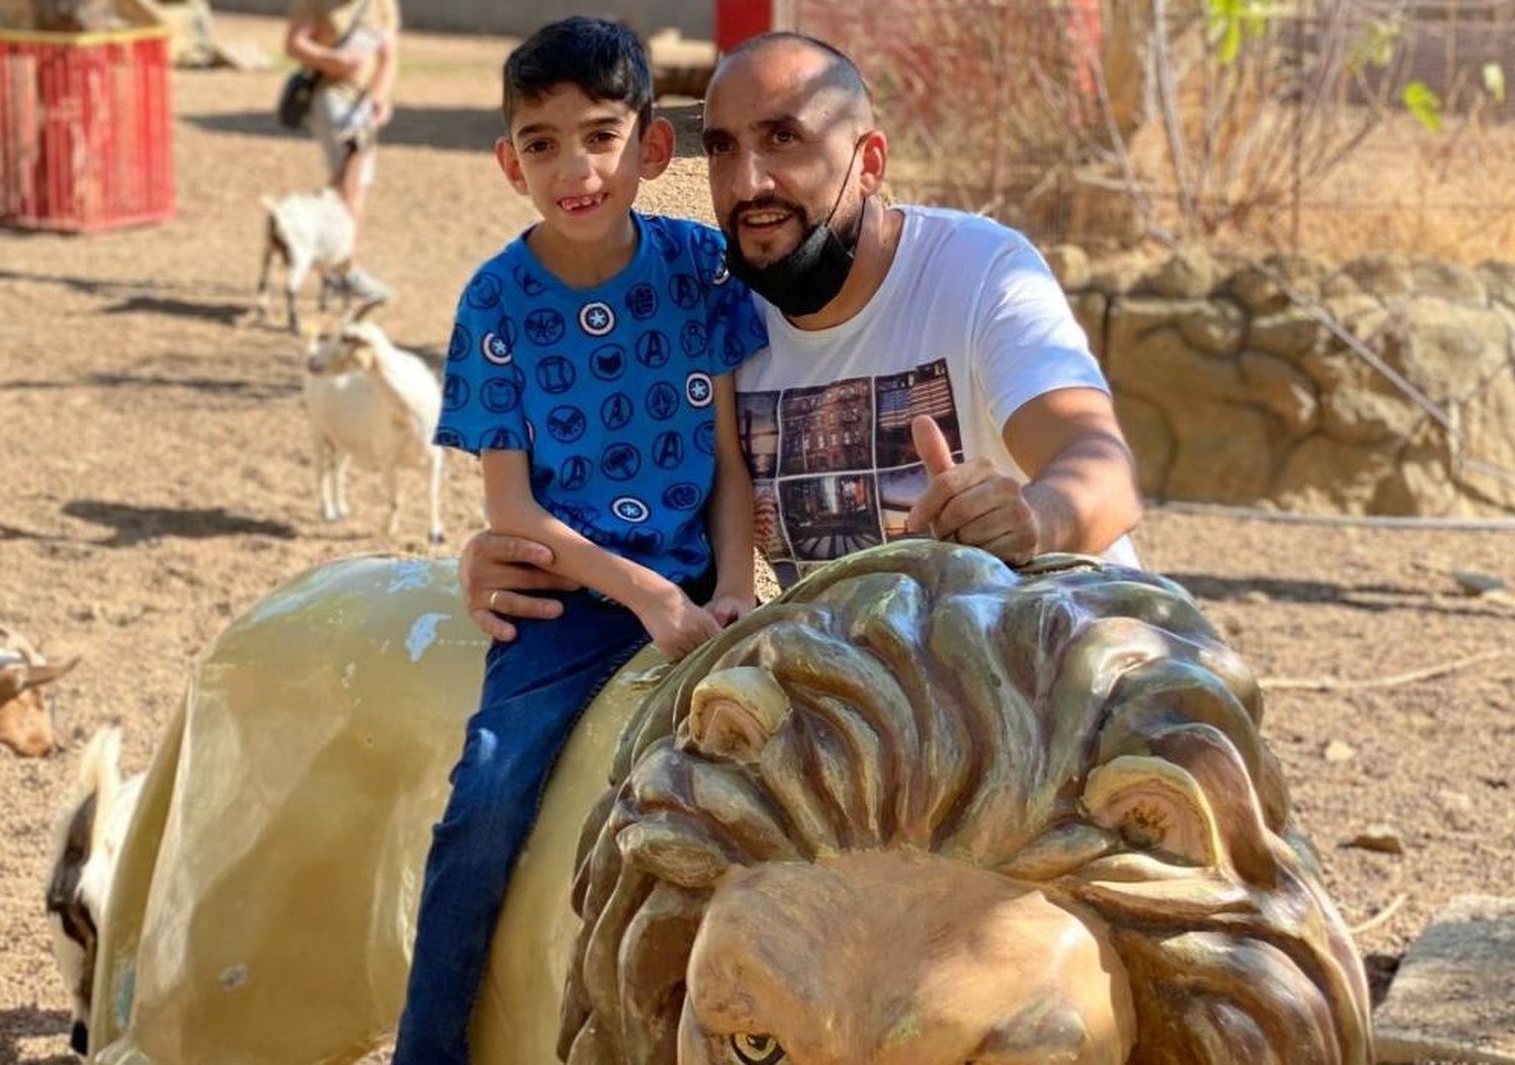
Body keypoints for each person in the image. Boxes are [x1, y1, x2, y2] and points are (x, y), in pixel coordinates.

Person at [459, 31, 1143, 636]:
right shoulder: (716, 319)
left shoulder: (976, 273)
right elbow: (624, 500)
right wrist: (509, 558)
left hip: (1066, 674)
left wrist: (1035, 518)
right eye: (723, 148)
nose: (748, 181)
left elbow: (1103, 469)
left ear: (869, 161)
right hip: (876, 720)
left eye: (783, 138)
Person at [392, 18, 768, 1064]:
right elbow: (511, 510)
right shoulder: (495, 302)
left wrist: (733, 587)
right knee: (490, 791)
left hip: (708, 585)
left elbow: (731, 463)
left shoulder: (702, 270)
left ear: (651, 149)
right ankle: (429, 1049)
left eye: (600, 135)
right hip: (564, 599)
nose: (576, 167)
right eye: (544, 143)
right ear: (511, 163)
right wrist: (644, 593)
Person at [283, 0, 399, 305]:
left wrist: (381, 97)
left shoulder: (381, 4)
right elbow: (295, 44)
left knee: (352, 187)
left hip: (363, 104)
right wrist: (333, 59)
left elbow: (388, 56)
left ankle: (334, 263)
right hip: (332, 98)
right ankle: (342, 269)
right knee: (351, 187)